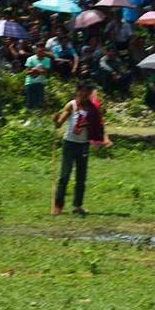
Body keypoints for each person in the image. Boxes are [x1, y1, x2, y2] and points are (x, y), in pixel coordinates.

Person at [52, 82, 111, 216]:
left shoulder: (93, 109)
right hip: (69, 144)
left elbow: (100, 125)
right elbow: (58, 124)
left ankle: (77, 206)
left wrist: (106, 139)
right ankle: (58, 206)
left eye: (87, 92)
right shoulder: (71, 105)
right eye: (82, 91)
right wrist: (55, 120)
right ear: (78, 91)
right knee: (64, 176)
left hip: (83, 145)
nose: (84, 94)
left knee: (81, 177)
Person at [24, 41, 50, 110]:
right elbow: (27, 72)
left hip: (40, 83)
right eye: (39, 50)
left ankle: (39, 118)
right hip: (30, 83)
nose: (41, 51)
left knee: (40, 103)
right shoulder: (30, 59)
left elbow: (46, 72)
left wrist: (38, 71)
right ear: (36, 50)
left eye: (42, 50)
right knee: (29, 103)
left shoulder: (47, 60)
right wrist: (33, 70)